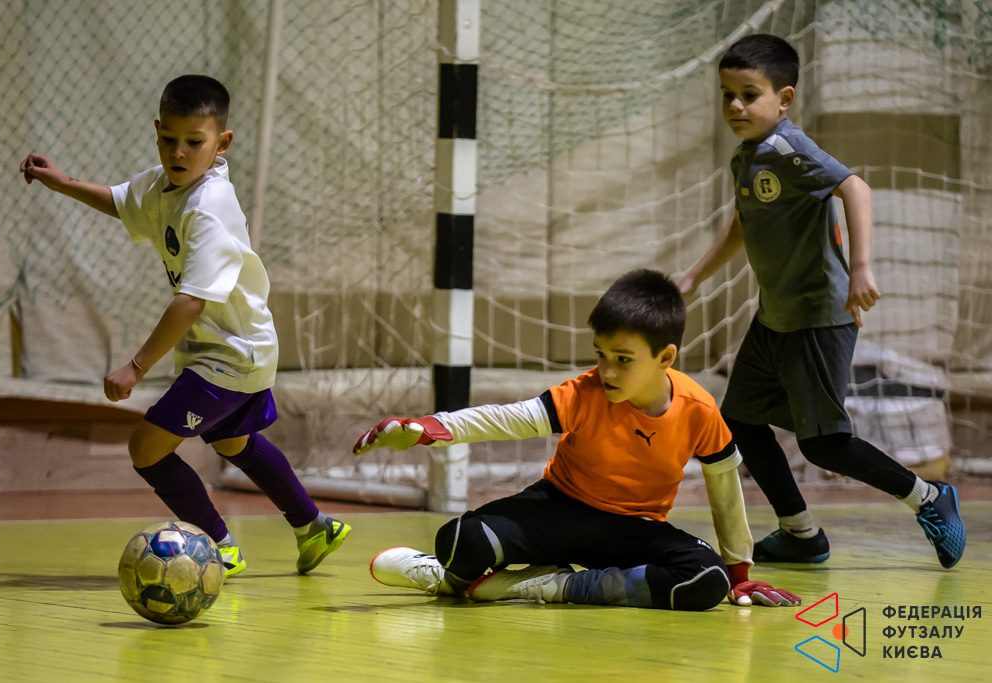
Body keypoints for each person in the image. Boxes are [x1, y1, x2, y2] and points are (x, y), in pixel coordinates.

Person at [20, 74, 350, 577]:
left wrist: (135, 367)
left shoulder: (209, 207)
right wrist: (63, 184)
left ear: (222, 143)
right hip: (232, 350)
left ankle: (219, 547)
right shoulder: (163, 183)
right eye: (169, 138)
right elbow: (123, 202)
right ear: (157, 131)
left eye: (194, 142)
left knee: (146, 448)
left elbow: (191, 302)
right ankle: (313, 525)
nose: (178, 152)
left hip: (231, 355)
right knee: (234, 442)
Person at [677, 34, 964, 568]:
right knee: (738, 420)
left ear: (784, 99)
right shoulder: (746, 158)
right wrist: (693, 277)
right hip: (774, 318)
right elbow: (744, 223)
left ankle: (930, 497)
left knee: (824, 444)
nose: (735, 106)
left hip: (817, 318)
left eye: (749, 95)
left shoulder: (789, 148)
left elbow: (855, 188)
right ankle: (801, 533)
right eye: (726, 95)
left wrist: (861, 267)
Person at [354, 269, 800, 611]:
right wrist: (428, 429)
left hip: (635, 529)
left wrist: (739, 573)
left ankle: (551, 585)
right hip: (557, 511)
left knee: (705, 581)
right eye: (601, 355)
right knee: (460, 541)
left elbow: (726, 494)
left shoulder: (699, 409)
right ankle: (448, 577)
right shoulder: (585, 393)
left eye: (623, 359)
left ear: (665, 357)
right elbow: (506, 419)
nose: (607, 371)